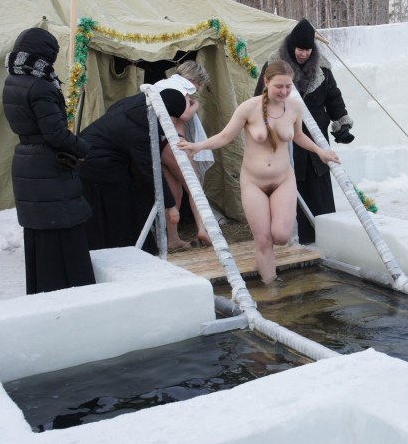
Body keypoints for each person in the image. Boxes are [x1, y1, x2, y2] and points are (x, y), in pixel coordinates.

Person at [178, 60, 340, 284]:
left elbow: (299, 136)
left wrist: (320, 151)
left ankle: (267, 260)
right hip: (254, 182)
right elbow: (225, 136)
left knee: (281, 236)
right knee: (263, 240)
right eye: (279, 86)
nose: (284, 91)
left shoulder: (294, 107)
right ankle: (270, 286)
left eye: (288, 86)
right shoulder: (248, 108)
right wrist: (197, 146)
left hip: (283, 179)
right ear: (266, 82)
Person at [2, 27, 96, 294]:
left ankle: (43, 288)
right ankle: (70, 291)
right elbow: (55, 134)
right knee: (62, 228)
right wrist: (83, 148)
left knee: (41, 232)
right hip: (47, 165)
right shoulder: (40, 85)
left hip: (27, 159)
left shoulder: (13, 79)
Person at [254, 18, 355, 245]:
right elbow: (260, 98)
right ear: (292, 46)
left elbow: (333, 97)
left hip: (316, 133)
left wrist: (342, 123)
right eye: (300, 49)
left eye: (308, 49)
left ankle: (325, 236)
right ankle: (295, 236)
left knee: (319, 181)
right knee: (291, 181)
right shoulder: (275, 65)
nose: (304, 54)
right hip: (286, 134)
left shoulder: (322, 68)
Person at [79, 88, 191, 254]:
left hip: (89, 154)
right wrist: (170, 205)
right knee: (121, 209)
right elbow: (151, 170)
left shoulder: (139, 103)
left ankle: (125, 249)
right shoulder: (142, 128)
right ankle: (128, 252)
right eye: (174, 119)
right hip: (97, 164)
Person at [153, 61, 213, 249]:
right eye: (199, 84)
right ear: (195, 79)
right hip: (175, 143)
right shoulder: (182, 87)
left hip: (160, 144)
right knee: (194, 187)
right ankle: (204, 230)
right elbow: (184, 115)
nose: (198, 88)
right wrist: (196, 104)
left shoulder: (160, 85)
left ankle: (173, 239)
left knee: (174, 194)